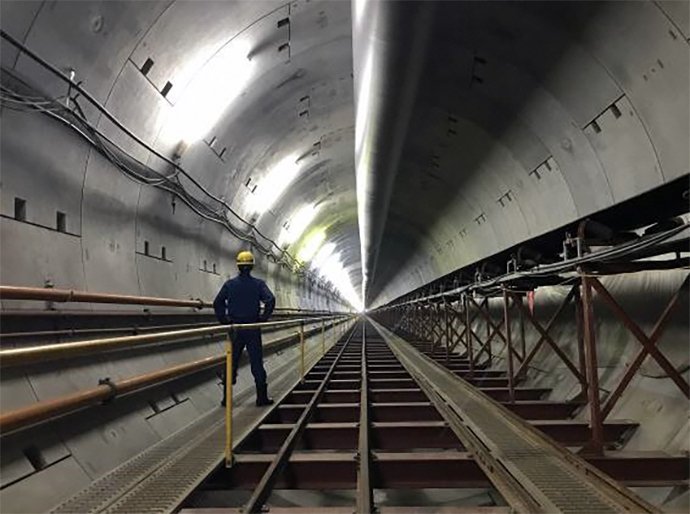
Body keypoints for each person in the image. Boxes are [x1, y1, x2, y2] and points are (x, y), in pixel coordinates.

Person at [213, 250, 276, 407]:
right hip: (252, 327)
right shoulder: (258, 284)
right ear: (252, 266)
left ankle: (226, 399)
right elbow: (270, 299)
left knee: (231, 362)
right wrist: (263, 318)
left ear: (238, 266)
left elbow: (217, 302)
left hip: (235, 329)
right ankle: (261, 397)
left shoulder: (230, 284)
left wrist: (224, 320)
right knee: (256, 363)